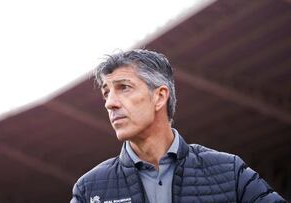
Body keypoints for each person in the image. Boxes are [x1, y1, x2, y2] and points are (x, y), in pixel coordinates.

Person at [70, 49, 285, 203]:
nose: (110, 103)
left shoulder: (229, 172)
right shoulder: (90, 189)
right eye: (106, 93)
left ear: (160, 97)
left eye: (124, 87)